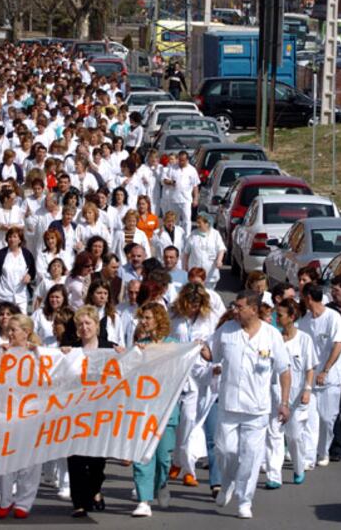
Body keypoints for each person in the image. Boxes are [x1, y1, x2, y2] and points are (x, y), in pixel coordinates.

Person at [201, 290, 291, 519]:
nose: (235, 310)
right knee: (225, 450)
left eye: (240, 307)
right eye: (235, 306)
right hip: (229, 404)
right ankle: (228, 481)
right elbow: (212, 354)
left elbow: (284, 370)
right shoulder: (227, 330)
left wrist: (284, 402)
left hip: (257, 409)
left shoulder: (271, 335)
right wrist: (200, 350)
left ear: (253, 309)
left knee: (250, 456)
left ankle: (244, 500)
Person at [169, 283, 225, 489]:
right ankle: (180, 461)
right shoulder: (173, 317)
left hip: (203, 374)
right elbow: (167, 340)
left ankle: (187, 468)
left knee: (192, 421)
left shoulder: (210, 319)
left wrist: (214, 362)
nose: (193, 308)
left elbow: (218, 344)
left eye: (196, 305)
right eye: (189, 304)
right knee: (180, 422)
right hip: (179, 374)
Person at [66, 305, 115, 517]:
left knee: (96, 461)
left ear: (96, 326)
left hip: (101, 412)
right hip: (75, 412)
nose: (84, 328)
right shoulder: (70, 350)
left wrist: (126, 355)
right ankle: (80, 502)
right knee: (75, 459)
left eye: (88, 323)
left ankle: (95, 489)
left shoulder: (110, 348)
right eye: (80, 324)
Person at [132, 302, 180, 517]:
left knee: (163, 459)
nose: (143, 322)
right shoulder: (140, 345)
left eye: (148, 318)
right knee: (142, 456)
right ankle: (144, 499)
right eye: (143, 318)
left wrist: (198, 346)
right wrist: (133, 354)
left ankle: (161, 484)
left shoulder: (174, 345)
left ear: (159, 320)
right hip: (143, 410)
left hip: (167, 411)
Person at [265, 298, 318, 488]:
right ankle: (274, 476)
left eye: (280, 315)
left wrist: (307, 389)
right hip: (275, 392)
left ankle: (298, 467)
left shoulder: (304, 339)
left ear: (292, 316)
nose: (276, 318)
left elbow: (310, 368)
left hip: (296, 395)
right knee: (274, 433)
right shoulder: (273, 337)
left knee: (294, 437)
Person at [0, 315, 42, 519]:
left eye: (14, 329)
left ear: (26, 332)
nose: (10, 333)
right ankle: (5, 499)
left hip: (32, 414)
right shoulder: (1, 352)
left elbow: (55, 374)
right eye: (9, 330)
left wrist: (41, 353)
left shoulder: (38, 354)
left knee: (30, 462)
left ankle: (24, 502)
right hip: (6, 413)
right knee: (4, 458)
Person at [299, 282, 341, 469]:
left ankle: (323, 451)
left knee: (327, 418)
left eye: (303, 296)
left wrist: (325, 370)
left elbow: (338, 344)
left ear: (309, 298)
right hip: (309, 379)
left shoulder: (333, 317)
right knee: (310, 418)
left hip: (330, 378)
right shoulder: (304, 321)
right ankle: (310, 455)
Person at [0, 227, 35, 313]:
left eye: (15, 237)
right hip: (4, 294)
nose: (12, 239)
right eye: (10, 237)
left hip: (21, 295)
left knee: (22, 322)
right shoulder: (1, 254)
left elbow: (32, 270)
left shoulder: (26, 254)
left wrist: (29, 276)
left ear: (20, 239)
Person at [183, 213, 226, 289]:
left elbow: (221, 249)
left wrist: (219, 260)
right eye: (197, 222)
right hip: (196, 272)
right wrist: (185, 265)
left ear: (207, 223)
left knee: (208, 295)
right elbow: (186, 252)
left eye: (200, 223)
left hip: (210, 272)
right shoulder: (193, 234)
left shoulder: (215, 234)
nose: (197, 225)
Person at [162, 150, 200, 235]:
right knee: (175, 220)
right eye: (179, 159)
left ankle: (187, 237)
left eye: (183, 160)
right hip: (174, 199)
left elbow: (195, 186)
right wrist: (171, 182)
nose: (181, 162)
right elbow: (164, 180)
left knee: (187, 220)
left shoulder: (192, 170)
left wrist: (196, 199)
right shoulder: (172, 168)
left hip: (186, 200)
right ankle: (174, 236)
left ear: (187, 160)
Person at [327, 274, 341, 462]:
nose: (332, 294)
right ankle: (335, 448)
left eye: (336, 290)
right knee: (334, 411)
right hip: (335, 366)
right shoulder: (329, 311)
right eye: (331, 290)